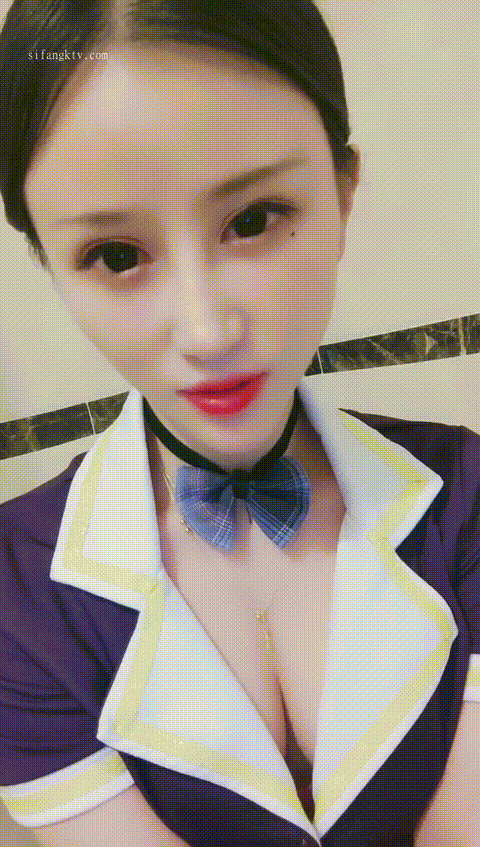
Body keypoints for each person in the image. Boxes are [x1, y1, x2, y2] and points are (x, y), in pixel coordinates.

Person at [0, 2, 478, 845]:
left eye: (252, 219)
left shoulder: (466, 492)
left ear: (344, 192)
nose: (206, 330)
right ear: (49, 260)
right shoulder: (15, 593)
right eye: (117, 255)